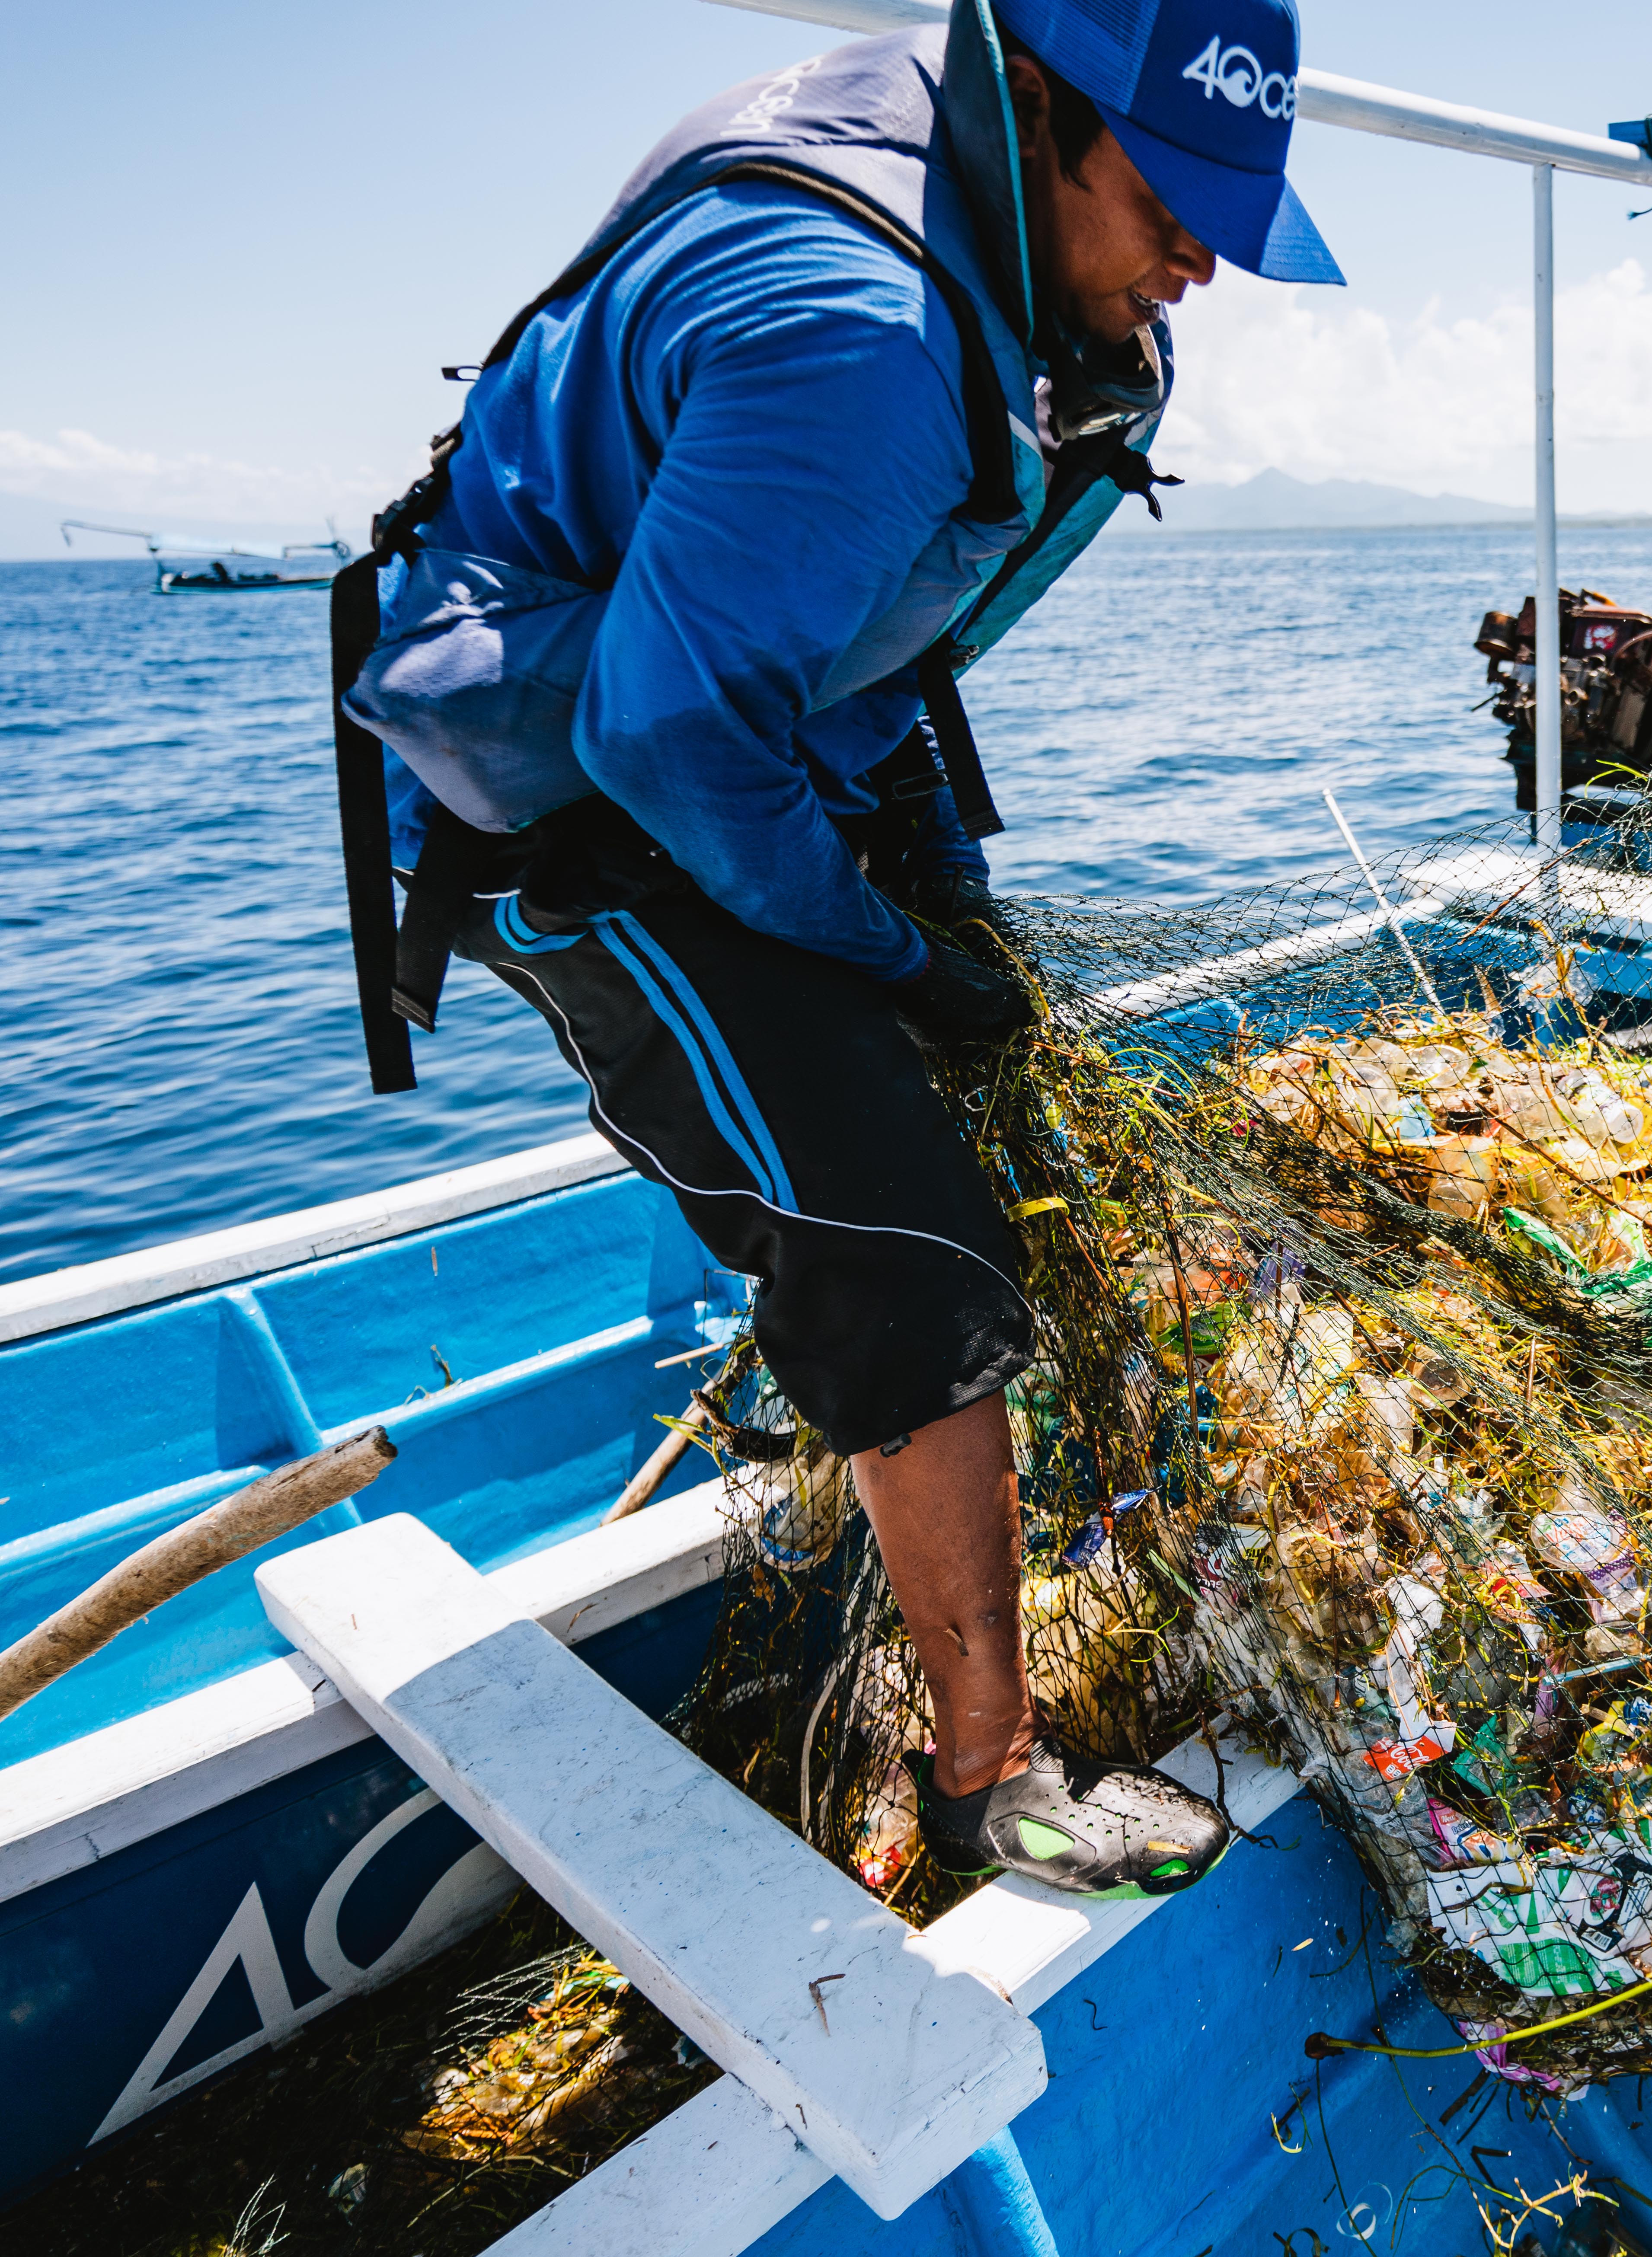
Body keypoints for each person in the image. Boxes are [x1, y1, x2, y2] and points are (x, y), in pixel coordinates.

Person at [332, 0, 1341, 1895]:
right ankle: (986, 1772)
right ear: (1031, 108)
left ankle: (991, 1534)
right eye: (1171, 200)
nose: (1204, 257)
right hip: (575, 796)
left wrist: (934, 897)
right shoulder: (858, 336)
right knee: (900, 1240)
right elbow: (664, 736)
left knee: (996, 1067)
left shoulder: (1004, 231)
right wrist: (875, 943)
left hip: (751, 715)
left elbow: (849, 635)